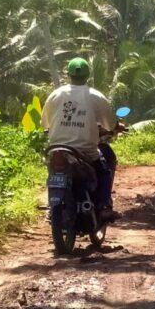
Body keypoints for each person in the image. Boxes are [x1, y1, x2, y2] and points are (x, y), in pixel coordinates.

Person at [41, 57, 121, 222]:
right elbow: (110, 123)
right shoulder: (96, 96)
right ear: (88, 75)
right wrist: (115, 127)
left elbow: (45, 123)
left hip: (57, 149)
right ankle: (104, 206)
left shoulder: (55, 95)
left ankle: (52, 207)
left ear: (68, 74)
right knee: (104, 170)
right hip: (85, 151)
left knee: (53, 172)